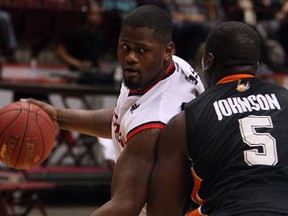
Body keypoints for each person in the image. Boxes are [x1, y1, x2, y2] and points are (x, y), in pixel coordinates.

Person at [26, 5, 205, 216]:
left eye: (141, 50)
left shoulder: (153, 124)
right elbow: (123, 120)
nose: (130, 57)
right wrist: (59, 116)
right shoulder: (170, 67)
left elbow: (125, 205)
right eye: (125, 47)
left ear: (167, 50)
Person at [147, 21, 288, 216]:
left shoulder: (184, 121)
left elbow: (162, 211)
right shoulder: (285, 99)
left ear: (208, 61)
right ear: (256, 65)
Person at [56, 2, 106, 72]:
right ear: (86, 15)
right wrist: (78, 64)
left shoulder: (100, 34)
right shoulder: (77, 33)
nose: (96, 17)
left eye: (98, 14)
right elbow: (60, 52)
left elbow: (98, 55)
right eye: (92, 14)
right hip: (75, 72)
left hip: (93, 72)